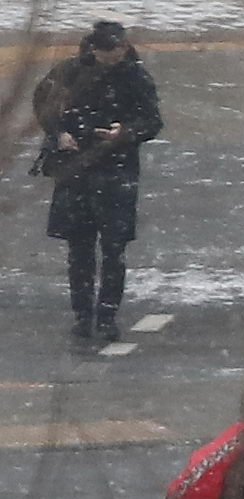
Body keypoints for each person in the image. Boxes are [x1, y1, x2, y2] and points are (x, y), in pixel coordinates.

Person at [33, 20, 163, 343]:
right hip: (77, 167)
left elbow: (152, 120)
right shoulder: (70, 71)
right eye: (109, 51)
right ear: (96, 49)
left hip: (116, 170)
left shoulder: (135, 76)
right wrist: (58, 133)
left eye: (118, 50)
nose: (115, 56)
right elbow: (43, 103)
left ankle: (106, 315)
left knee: (114, 247)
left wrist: (125, 133)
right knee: (79, 248)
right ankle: (83, 313)